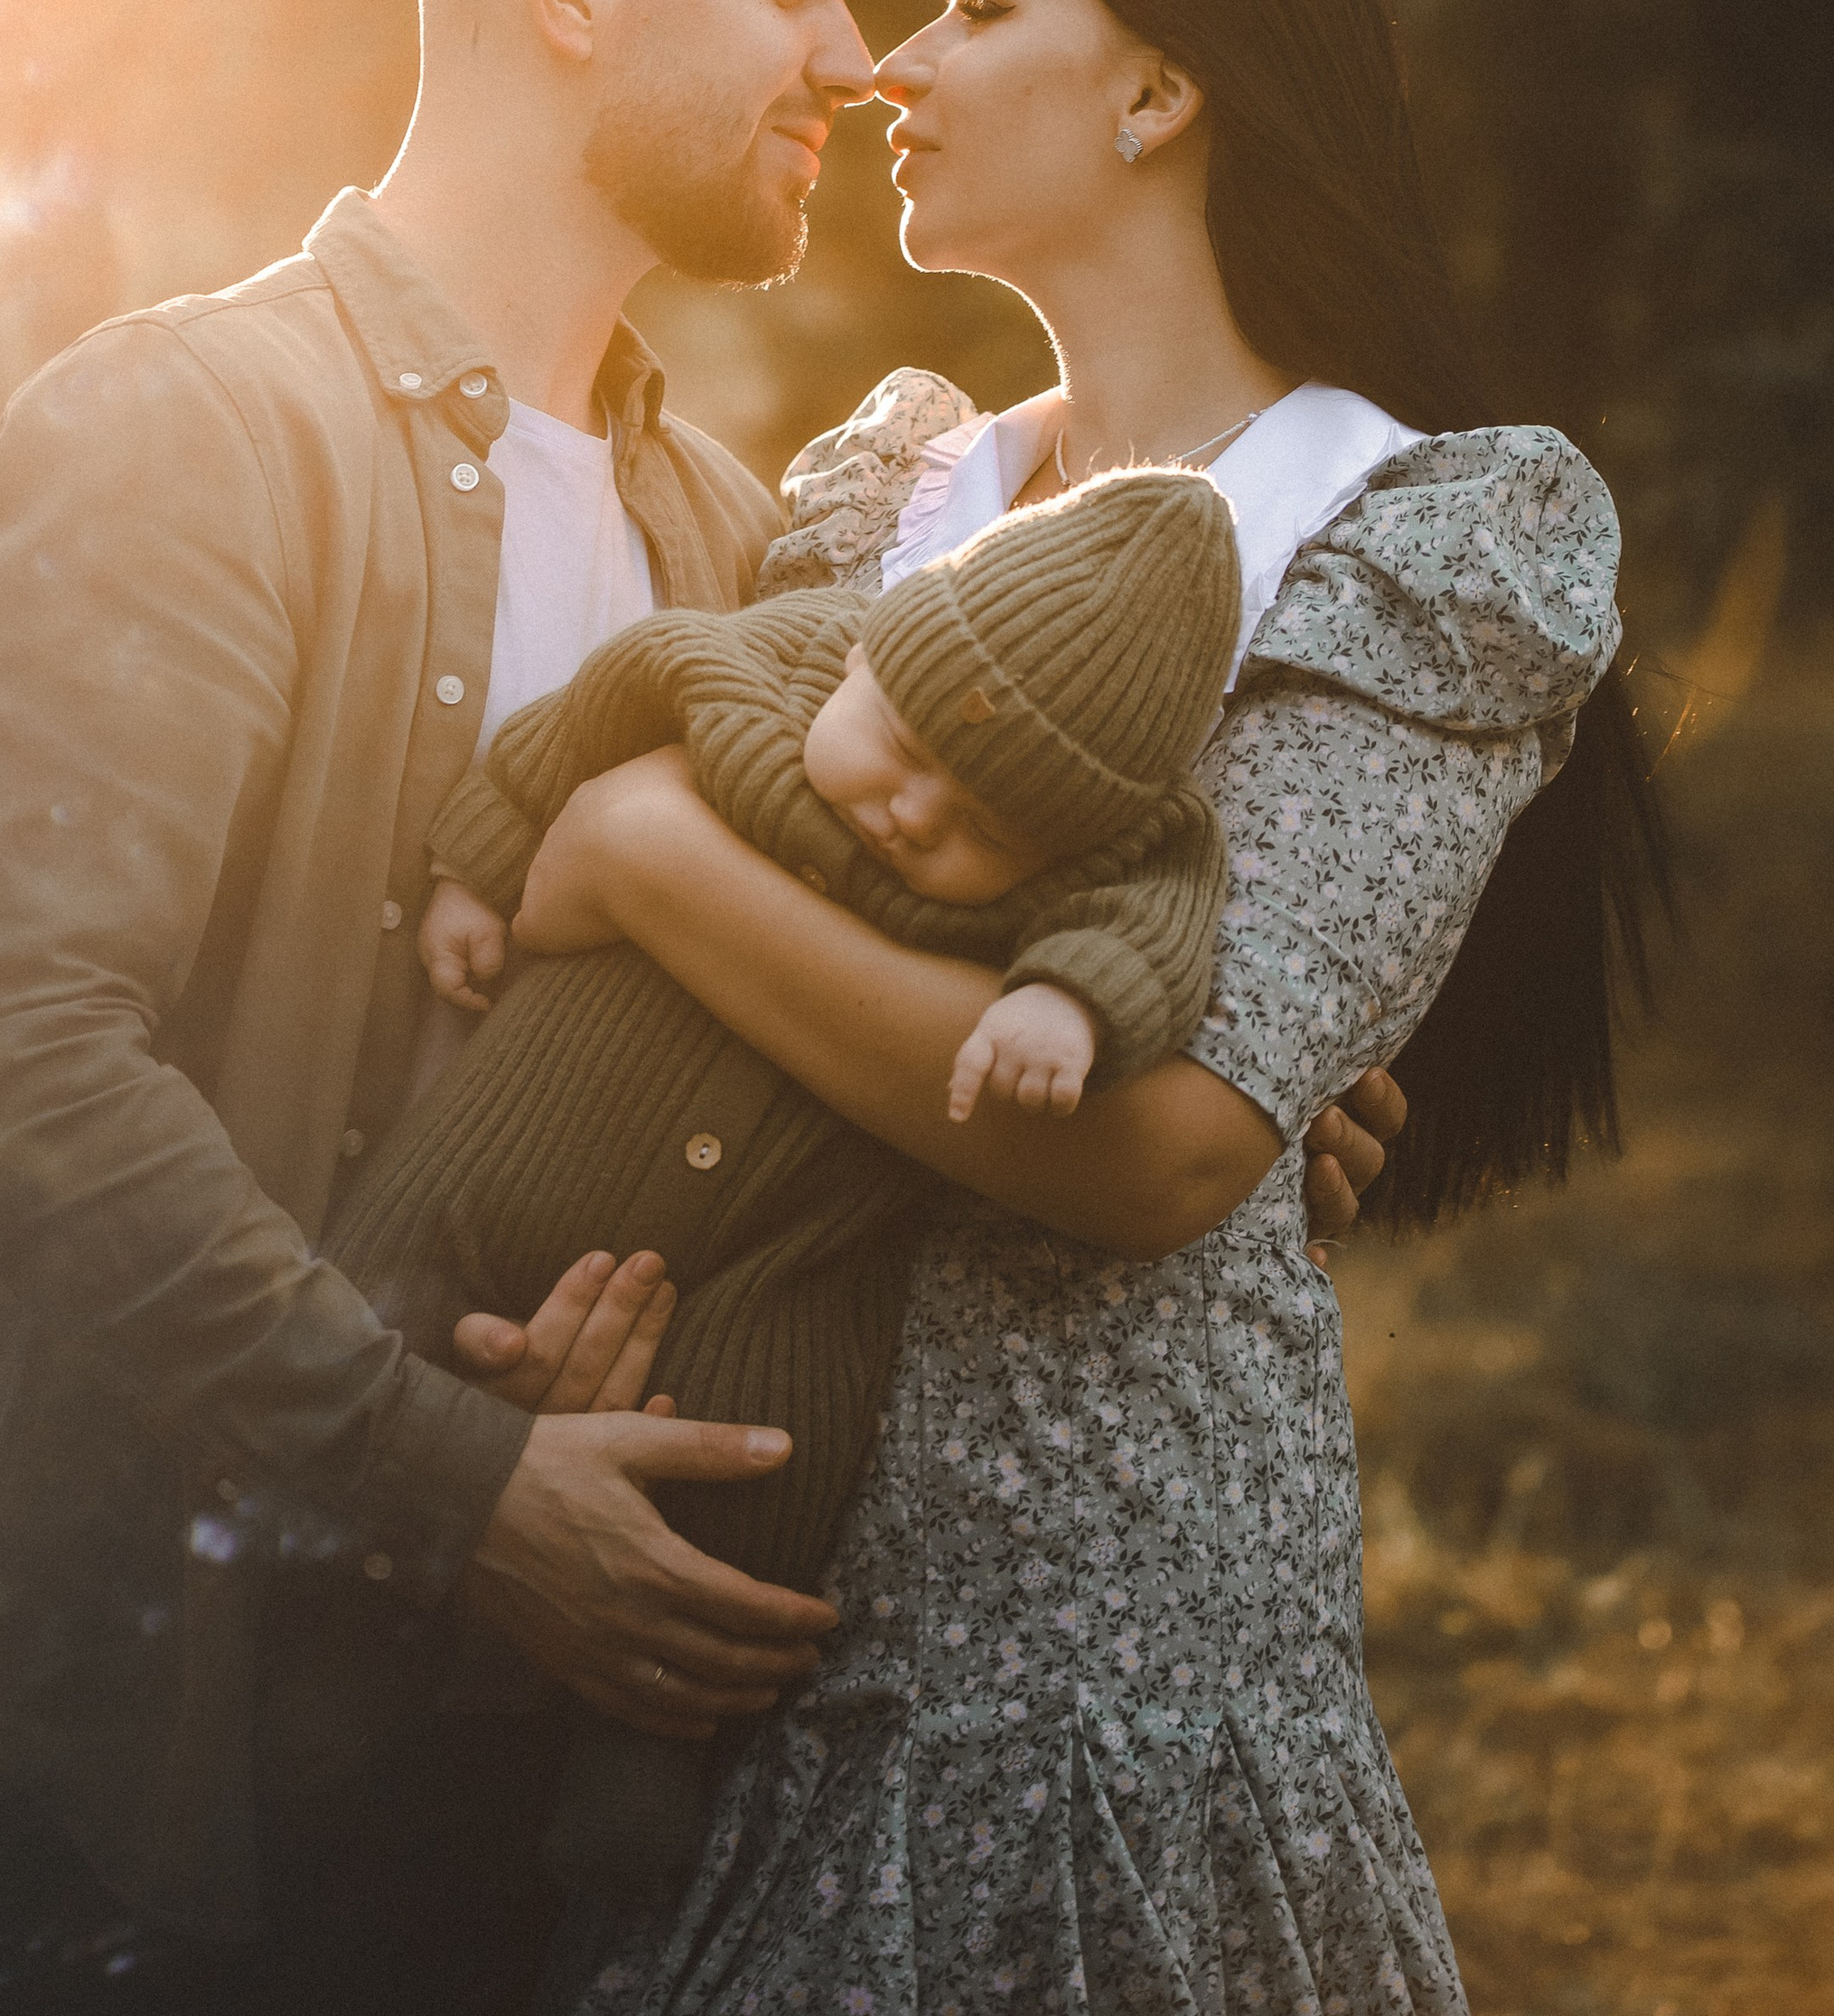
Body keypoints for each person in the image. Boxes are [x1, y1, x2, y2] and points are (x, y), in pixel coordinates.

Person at [0, 0, 1399, 2016]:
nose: (858, 61)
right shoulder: (188, 427)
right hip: (187, 1775)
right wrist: (459, 1479)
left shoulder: (732, 535)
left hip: (554, 1771)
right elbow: (4, 1061)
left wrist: (1193, 1066)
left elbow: (825, 1008)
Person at [495, 0, 1665, 2013]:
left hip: (1096, 1666)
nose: (885, 69)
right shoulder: (876, 497)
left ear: (1154, 91)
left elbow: (1163, 1152)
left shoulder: (1410, 530)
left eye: (974, 7)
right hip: (744, 1611)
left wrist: (642, 859)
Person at [328, 463, 1241, 1908]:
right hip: (528, 1138)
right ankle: (323, 1630)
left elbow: (1163, 926)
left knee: (767, 1443)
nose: (914, 812)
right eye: (903, 744)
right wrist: (477, 868)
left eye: (989, 826)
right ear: (869, 651)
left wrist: (1067, 1003)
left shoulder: (1133, 845)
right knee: (382, 1286)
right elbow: (588, 710)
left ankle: (649, 1737)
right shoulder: (768, 655)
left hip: (776, 1249)